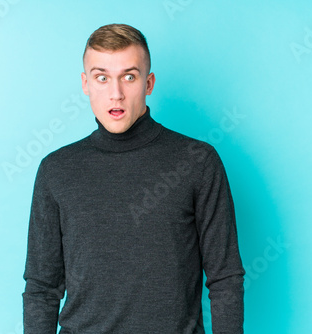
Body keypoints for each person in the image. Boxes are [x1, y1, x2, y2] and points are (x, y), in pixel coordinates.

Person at [22, 23, 245, 334]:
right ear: (86, 84)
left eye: (129, 76)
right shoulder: (56, 170)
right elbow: (41, 287)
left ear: (148, 83)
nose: (116, 93)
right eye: (102, 78)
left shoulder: (198, 161)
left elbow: (225, 278)